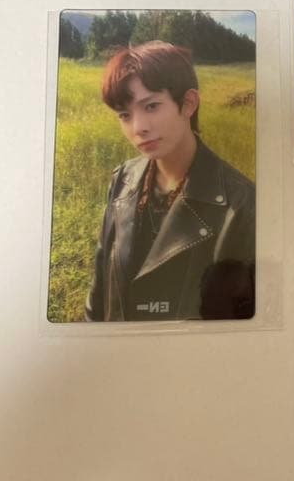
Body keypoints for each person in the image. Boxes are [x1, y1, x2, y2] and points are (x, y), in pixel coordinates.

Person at [85, 41, 255, 321]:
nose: (138, 127)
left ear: (188, 103)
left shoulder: (242, 205)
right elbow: (99, 294)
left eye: (151, 106)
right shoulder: (123, 179)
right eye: (125, 115)